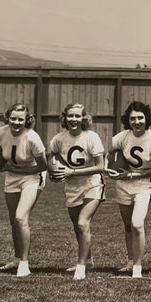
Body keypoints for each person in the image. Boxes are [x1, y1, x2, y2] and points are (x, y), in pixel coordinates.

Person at [0, 102, 48, 278]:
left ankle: (24, 263)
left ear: (26, 120)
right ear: (8, 118)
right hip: (12, 177)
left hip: (32, 176)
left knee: (21, 217)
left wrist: (14, 170)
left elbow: (42, 166)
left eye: (20, 119)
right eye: (13, 118)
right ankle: (16, 258)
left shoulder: (33, 138)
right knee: (14, 220)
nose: (16, 122)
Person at [108, 101, 151, 279]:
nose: (137, 121)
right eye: (133, 118)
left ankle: (138, 267)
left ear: (146, 118)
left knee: (137, 223)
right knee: (127, 225)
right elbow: (110, 157)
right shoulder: (120, 137)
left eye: (140, 117)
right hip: (124, 184)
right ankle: (130, 261)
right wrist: (112, 170)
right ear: (128, 120)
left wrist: (134, 175)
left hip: (143, 184)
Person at [48, 103, 106, 281]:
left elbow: (100, 167)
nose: (73, 119)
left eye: (77, 116)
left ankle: (80, 267)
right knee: (77, 226)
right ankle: (88, 260)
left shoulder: (91, 137)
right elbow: (52, 158)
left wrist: (71, 171)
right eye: (70, 116)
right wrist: (54, 172)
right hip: (72, 187)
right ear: (64, 118)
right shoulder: (58, 139)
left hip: (92, 184)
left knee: (82, 223)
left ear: (84, 118)